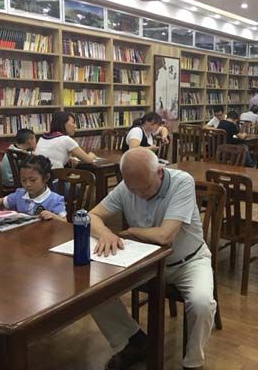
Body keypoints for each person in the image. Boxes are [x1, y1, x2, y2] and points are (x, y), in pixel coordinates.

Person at [89, 148, 216, 370]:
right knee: (94, 292)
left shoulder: (181, 182)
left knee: (202, 303)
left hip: (189, 261)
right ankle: (133, 343)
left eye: (145, 187)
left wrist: (132, 231)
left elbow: (165, 236)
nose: (138, 194)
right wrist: (106, 233)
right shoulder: (128, 186)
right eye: (132, 189)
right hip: (145, 262)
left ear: (159, 172)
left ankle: (193, 362)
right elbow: (92, 215)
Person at [0, 155, 67, 221]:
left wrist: (53, 216)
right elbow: (2, 201)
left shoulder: (55, 200)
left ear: (46, 178)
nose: (28, 184)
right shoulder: (20, 194)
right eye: (23, 180)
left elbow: (64, 222)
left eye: (33, 180)